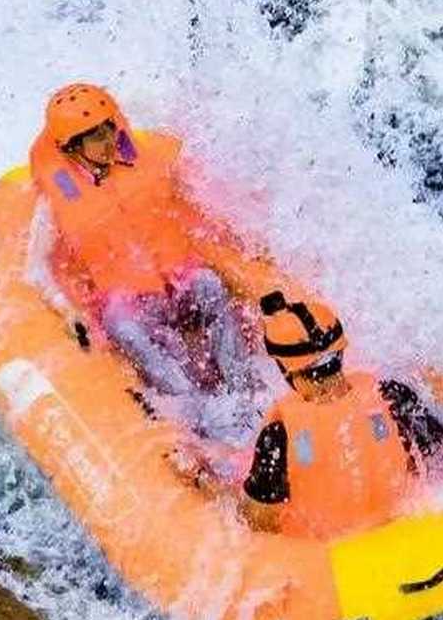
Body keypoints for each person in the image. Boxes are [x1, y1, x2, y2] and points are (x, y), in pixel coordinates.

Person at [26, 82, 264, 416]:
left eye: (108, 128)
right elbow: (37, 268)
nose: (108, 140)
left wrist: (243, 237)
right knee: (123, 326)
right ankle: (196, 409)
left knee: (210, 285)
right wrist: (68, 311)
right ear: (71, 147)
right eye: (94, 136)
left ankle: (246, 390)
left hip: (178, 277)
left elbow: (198, 205)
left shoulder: (146, 159)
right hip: (127, 298)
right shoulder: (53, 201)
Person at [240, 290, 443, 538]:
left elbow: (257, 527)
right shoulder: (391, 395)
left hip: (336, 566)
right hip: (409, 541)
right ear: (340, 352)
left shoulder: (278, 436)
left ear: (286, 371)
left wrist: (205, 483)